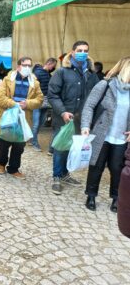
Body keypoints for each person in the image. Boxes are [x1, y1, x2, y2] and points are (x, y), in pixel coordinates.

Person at [48, 40, 99, 195]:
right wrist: (63, 111)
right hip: (64, 118)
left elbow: (95, 97)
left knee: (72, 148)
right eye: (79, 50)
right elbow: (52, 94)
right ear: (72, 52)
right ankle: (57, 176)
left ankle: (65, 173)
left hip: (81, 120)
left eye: (85, 50)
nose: (83, 53)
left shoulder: (91, 75)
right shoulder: (62, 72)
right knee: (60, 147)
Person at [81, 57, 130, 212]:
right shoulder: (105, 85)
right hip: (102, 134)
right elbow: (89, 105)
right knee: (97, 165)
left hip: (121, 137)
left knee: (118, 168)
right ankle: (91, 195)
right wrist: (85, 126)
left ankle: (116, 199)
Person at [0, 57, 43, 179]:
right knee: (4, 142)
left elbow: (40, 99)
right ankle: (2, 163)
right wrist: (14, 104)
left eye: (29, 65)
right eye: (25, 65)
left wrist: (28, 104)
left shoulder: (34, 82)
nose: (27, 68)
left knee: (19, 145)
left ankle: (13, 168)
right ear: (18, 66)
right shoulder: (8, 79)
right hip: (7, 115)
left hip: (24, 118)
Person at [31, 58, 57, 151]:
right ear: (49, 64)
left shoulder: (48, 74)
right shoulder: (38, 73)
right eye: (53, 66)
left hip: (46, 102)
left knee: (41, 123)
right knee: (36, 123)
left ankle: (32, 138)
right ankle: (34, 142)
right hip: (38, 101)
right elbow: (32, 87)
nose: (53, 68)